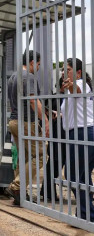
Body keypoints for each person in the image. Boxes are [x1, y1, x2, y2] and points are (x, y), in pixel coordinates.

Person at [5, 50, 49, 206]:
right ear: (31, 62)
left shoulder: (13, 77)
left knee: (23, 157)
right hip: (25, 122)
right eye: (37, 64)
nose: (38, 67)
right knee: (41, 156)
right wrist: (44, 119)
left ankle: (19, 194)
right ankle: (16, 186)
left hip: (14, 122)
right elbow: (32, 100)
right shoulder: (28, 77)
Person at [61, 58, 94, 221]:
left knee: (72, 175)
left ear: (78, 72)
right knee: (83, 176)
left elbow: (78, 89)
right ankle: (87, 213)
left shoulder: (82, 84)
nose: (63, 72)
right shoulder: (69, 89)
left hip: (83, 133)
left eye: (67, 69)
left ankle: (86, 213)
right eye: (62, 69)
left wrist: (71, 85)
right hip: (81, 133)